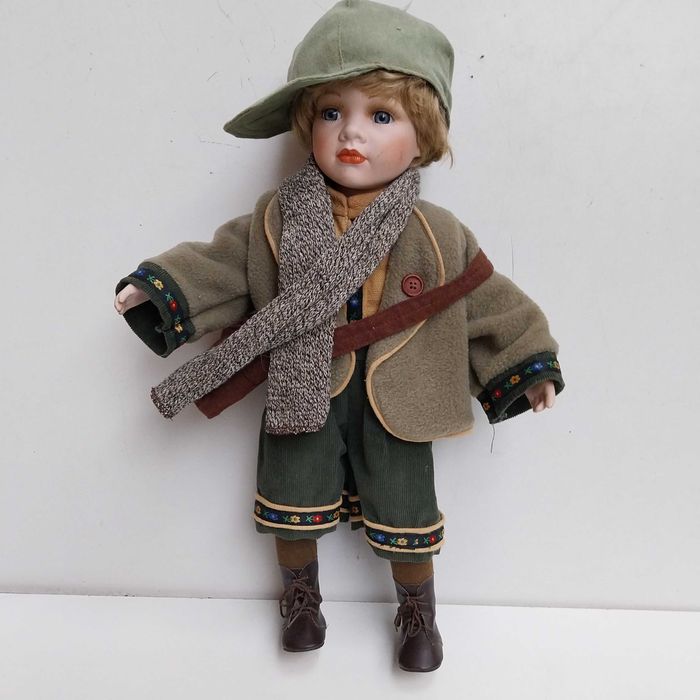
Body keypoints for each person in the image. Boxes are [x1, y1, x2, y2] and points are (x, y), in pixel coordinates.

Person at [114, 0, 563, 673]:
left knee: (407, 508)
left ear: (424, 135)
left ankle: (418, 610)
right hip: (304, 386)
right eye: (331, 112)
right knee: (292, 497)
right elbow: (222, 262)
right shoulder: (279, 217)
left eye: (382, 116)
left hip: (401, 391)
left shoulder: (439, 233)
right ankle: (301, 600)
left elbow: (488, 301)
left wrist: (528, 364)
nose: (352, 132)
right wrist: (161, 288)